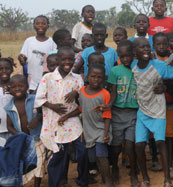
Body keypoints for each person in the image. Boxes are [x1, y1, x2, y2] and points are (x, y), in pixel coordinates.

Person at [132, 37, 173, 187]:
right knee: (139, 146)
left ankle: (167, 179)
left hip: (158, 111)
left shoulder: (158, 65)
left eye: (147, 47)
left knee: (161, 142)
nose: (146, 50)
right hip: (142, 112)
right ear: (135, 51)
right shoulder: (133, 65)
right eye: (141, 47)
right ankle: (145, 178)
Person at [34, 46, 88, 187]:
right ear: (58, 60)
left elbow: (82, 101)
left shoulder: (77, 79)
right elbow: (39, 99)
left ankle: (82, 181)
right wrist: (52, 106)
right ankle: (55, 183)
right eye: (63, 59)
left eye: (71, 59)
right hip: (55, 122)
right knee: (58, 155)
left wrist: (77, 93)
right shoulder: (48, 78)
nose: (67, 62)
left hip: (73, 120)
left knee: (82, 151)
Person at [61, 64, 113, 187]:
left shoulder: (105, 94)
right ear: (87, 77)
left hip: (101, 129)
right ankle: (98, 174)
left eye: (99, 77)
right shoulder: (82, 92)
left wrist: (106, 134)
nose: (96, 79)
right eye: (93, 76)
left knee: (101, 154)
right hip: (88, 130)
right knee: (92, 157)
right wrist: (67, 116)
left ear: (103, 79)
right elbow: (80, 108)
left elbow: (107, 115)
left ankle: (108, 181)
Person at [107, 40, 139, 186]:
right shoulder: (115, 71)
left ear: (133, 55)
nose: (126, 59)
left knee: (130, 145)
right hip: (117, 113)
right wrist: (108, 105)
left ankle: (133, 173)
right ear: (118, 56)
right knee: (115, 146)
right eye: (123, 56)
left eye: (129, 56)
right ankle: (114, 167)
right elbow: (112, 92)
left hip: (133, 112)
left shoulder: (138, 69)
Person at [5, 74, 43, 187]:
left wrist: (37, 118)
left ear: (27, 86)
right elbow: (9, 126)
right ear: (9, 89)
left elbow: (43, 113)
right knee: (23, 163)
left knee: (39, 163)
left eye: (21, 86)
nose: (17, 89)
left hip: (37, 138)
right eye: (14, 87)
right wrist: (20, 135)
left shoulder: (34, 99)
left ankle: (37, 185)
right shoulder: (9, 107)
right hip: (23, 141)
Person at [152, 32, 173, 178]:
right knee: (153, 135)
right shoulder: (150, 59)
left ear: (168, 44)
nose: (161, 46)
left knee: (168, 135)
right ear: (153, 45)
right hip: (152, 103)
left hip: (168, 102)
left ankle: (169, 165)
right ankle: (155, 159)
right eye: (158, 44)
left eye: (164, 43)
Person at [18, 15, 57, 92]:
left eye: (43, 23)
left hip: (48, 79)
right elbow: (23, 56)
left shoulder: (52, 42)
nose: (40, 26)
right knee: (33, 98)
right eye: (37, 23)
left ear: (48, 26)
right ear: (34, 26)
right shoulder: (29, 41)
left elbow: (55, 59)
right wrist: (21, 58)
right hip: (32, 80)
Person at [0, 58, 15, 143]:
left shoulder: (17, 86)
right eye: (1, 69)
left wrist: (13, 92)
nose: (4, 71)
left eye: (7, 68)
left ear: (12, 69)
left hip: (14, 129)